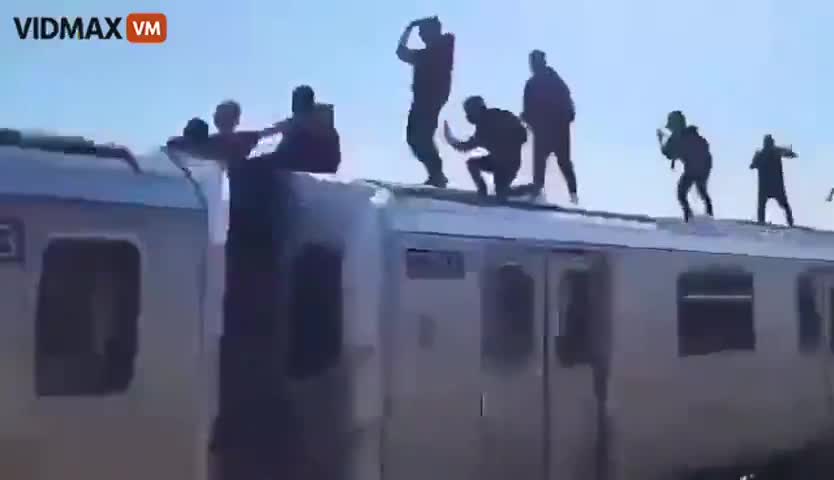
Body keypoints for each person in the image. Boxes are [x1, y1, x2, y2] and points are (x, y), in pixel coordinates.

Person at [396, 16, 455, 188]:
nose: (421, 36)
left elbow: (402, 52)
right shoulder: (425, 53)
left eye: (423, 33)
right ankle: (436, 174)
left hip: (430, 99)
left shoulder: (443, 47)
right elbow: (400, 52)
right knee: (414, 138)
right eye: (420, 34)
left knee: (421, 136)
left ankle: (437, 174)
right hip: (422, 99)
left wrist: (416, 25)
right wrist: (409, 28)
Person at [517, 49, 578, 204]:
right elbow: (528, 107)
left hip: (557, 129)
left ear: (541, 62)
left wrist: (564, 119)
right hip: (543, 129)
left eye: (535, 62)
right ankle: (539, 193)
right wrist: (528, 120)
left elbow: (568, 104)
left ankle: (573, 195)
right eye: (532, 62)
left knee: (563, 162)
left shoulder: (554, 80)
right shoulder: (532, 84)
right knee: (540, 162)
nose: (533, 66)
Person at [443, 96, 528, 200]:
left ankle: (531, 190)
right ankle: (483, 190)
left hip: (509, 165)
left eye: (469, 112)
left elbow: (466, 146)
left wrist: (510, 141)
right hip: (496, 161)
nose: (468, 116)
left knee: (501, 192)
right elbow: (467, 146)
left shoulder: (491, 121)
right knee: (472, 164)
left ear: (476, 110)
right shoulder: (485, 123)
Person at [252, 85, 341, 173]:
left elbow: (277, 130)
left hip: (302, 166)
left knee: (256, 165)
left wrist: (256, 136)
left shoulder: (306, 122)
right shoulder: (320, 122)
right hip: (311, 166)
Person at [657, 111, 714, 222]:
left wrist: (661, 140)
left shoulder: (683, 137)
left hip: (695, 168)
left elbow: (669, 153)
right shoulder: (687, 135)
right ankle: (700, 214)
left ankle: (692, 216)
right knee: (699, 191)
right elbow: (670, 153)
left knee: (684, 193)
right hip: (700, 168)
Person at [750, 134, 796, 226]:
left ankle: (761, 221)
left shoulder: (761, 153)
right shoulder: (774, 152)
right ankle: (790, 222)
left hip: (767, 186)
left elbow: (752, 165)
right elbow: (789, 154)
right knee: (783, 205)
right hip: (775, 185)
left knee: (762, 205)